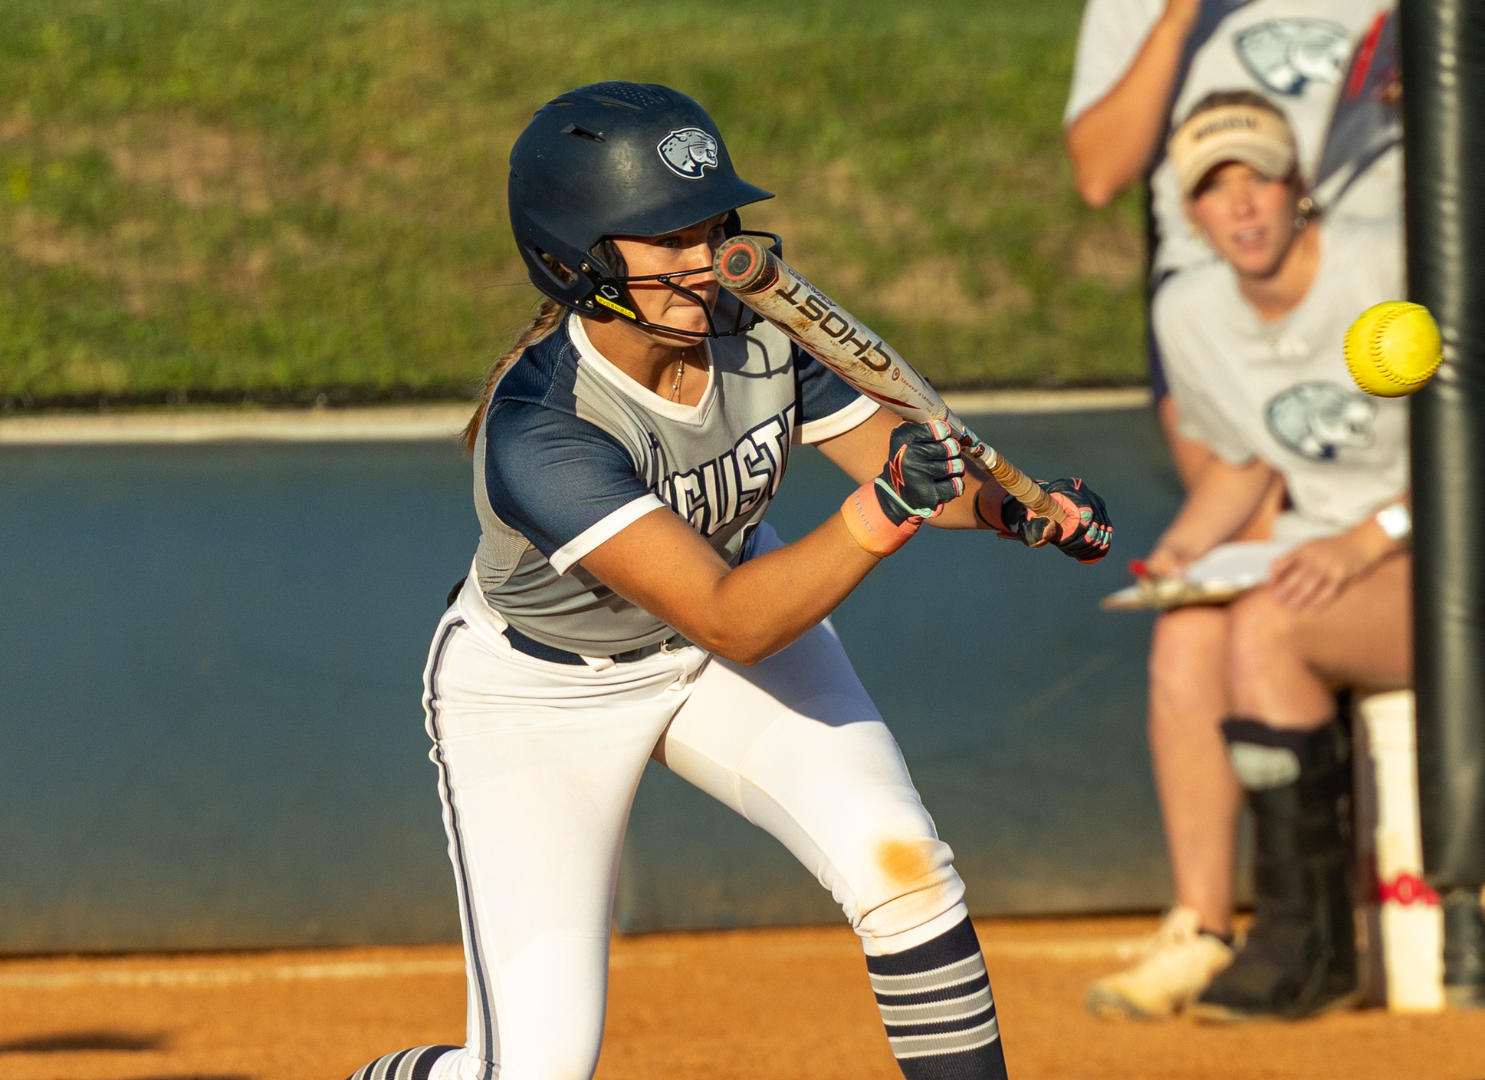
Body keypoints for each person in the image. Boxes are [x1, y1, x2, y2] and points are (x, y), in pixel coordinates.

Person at [342, 82, 1112, 1080]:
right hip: (540, 696)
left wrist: (1018, 512)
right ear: (576, 258)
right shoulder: (542, 430)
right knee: (533, 1069)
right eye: (665, 238)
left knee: (905, 873)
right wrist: (883, 511)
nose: (705, 258)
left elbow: (914, 465)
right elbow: (730, 619)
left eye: (714, 224)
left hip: (724, 650)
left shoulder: (760, 333)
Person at [1084, 93, 1407, 1021]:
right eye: (1215, 190)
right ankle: (1203, 927)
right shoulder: (1189, 309)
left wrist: (1363, 540)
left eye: (1259, 178)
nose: (1243, 207)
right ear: (1190, 215)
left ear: (1298, 188)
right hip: (1331, 556)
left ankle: (1310, 943)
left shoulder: (1385, 261)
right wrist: (1185, 550)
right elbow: (1244, 463)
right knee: (1187, 634)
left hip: (1446, 555)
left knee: (1267, 630)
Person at [1063, 0, 1395, 488]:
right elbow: (1098, 175)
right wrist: (1177, 19)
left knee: (1387, 529)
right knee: (1246, 538)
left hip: (1367, 276)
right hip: (1214, 276)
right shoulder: (1136, 6)